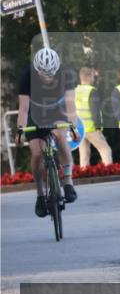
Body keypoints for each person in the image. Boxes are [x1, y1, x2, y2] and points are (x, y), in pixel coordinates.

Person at [15, 48, 78, 217]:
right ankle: (40, 195)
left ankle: (68, 181)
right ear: (36, 70)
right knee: (36, 153)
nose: (48, 78)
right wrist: (20, 132)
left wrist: (72, 126)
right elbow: (23, 108)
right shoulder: (27, 75)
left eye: (51, 74)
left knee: (59, 135)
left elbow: (70, 104)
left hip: (58, 111)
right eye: (44, 75)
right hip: (35, 113)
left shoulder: (66, 73)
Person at [75, 67, 113, 167]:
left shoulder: (76, 91)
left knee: (84, 153)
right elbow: (94, 110)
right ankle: (108, 170)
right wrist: (98, 126)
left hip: (79, 128)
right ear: (89, 76)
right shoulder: (91, 91)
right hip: (91, 127)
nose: (94, 78)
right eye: (93, 76)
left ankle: (83, 173)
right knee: (105, 149)